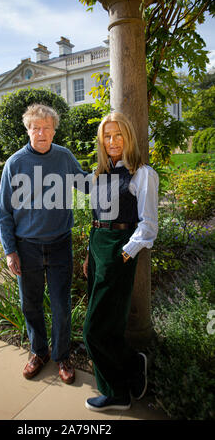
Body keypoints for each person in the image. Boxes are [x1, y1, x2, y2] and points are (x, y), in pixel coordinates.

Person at [0, 103, 89, 385]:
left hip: (60, 244)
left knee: (61, 306)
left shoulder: (63, 157)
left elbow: (85, 185)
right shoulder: (15, 163)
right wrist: (10, 251)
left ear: (53, 130)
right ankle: (39, 353)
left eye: (47, 128)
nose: (41, 133)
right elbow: (4, 212)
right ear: (28, 130)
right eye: (36, 128)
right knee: (30, 305)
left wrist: (111, 171)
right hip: (28, 248)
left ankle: (62, 356)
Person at [82, 111, 159, 411]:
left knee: (93, 330)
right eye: (107, 136)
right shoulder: (99, 173)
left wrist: (124, 253)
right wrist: (91, 255)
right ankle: (132, 366)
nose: (113, 141)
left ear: (128, 137)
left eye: (118, 135)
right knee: (109, 327)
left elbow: (148, 225)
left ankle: (117, 393)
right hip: (98, 249)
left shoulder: (142, 173)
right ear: (101, 141)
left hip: (118, 251)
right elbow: (96, 219)